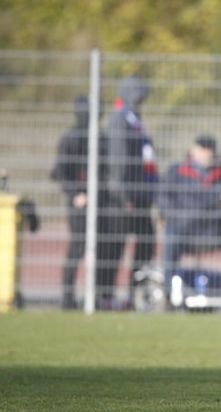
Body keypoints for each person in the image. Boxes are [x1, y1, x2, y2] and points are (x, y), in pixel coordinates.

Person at [52, 95, 113, 309]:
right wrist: (76, 193)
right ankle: (68, 298)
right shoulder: (71, 138)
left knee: (102, 249)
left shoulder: (101, 137)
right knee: (78, 247)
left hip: (101, 202)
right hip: (80, 203)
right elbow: (60, 172)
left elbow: (107, 170)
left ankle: (97, 297)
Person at [104, 76, 159, 309]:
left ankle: (135, 293)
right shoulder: (119, 120)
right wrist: (124, 196)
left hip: (140, 197)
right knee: (114, 247)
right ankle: (106, 296)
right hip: (123, 199)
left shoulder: (135, 119)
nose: (141, 100)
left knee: (146, 243)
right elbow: (118, 162)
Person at [157, 135, 221, 290]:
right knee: (172, 236)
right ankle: (168, 289)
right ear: (193, 150)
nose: (206, 154)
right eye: (202, 149)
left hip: (210, 229)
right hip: (181, 227)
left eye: (209, 150)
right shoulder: (176, 171)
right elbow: (163, 198)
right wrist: (175, 216)